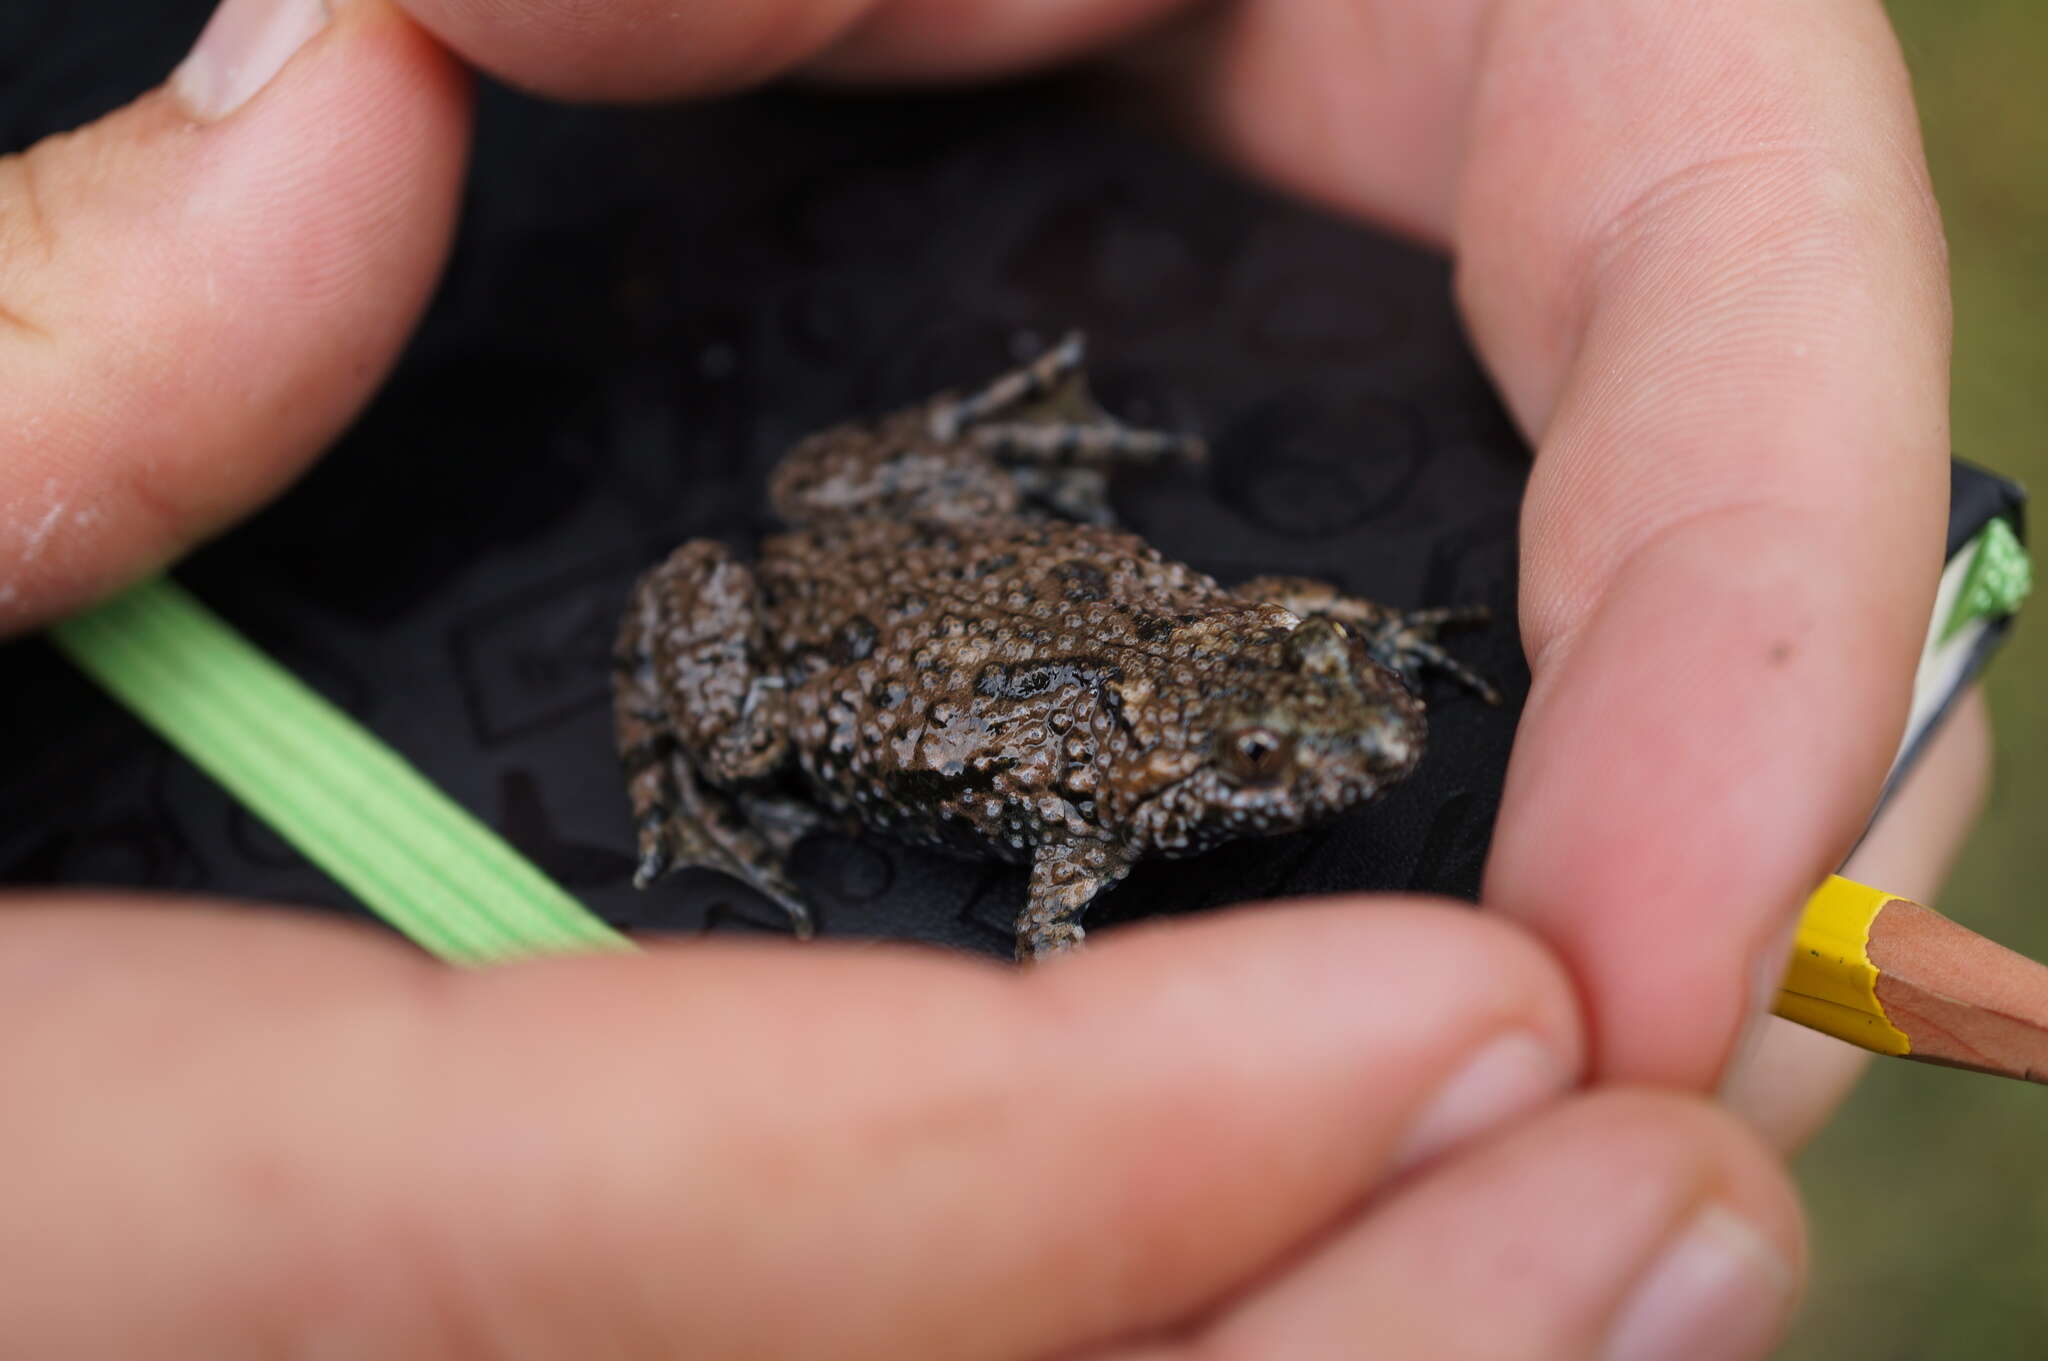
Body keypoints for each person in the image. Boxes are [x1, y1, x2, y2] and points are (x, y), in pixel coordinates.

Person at [0, 0, 1990, 1355]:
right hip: (819, 630)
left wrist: (1362, 639)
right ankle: (705, 776)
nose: (1352, 751)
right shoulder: (1096, 800)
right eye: (1292, 741)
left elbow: (1287, 637)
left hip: (923, 537)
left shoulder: (1216, 692)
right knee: (727, 666)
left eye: (1309, 715)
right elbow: (1061, 904)